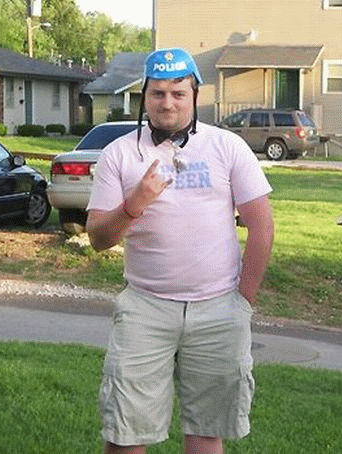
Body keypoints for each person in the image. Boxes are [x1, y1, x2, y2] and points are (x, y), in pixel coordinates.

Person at [86, 48, 274, 454]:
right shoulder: (118, 153)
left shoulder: (227, 146)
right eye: (157, 93)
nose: (167, 102)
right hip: (145, 308)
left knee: (207, 430)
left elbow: (261, 226)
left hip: (218, 308)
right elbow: (99, 238)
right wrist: (135, 202)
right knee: (125, 431)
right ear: (144, 97)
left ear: (194, 94)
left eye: (177, 93)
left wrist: (244, 300)